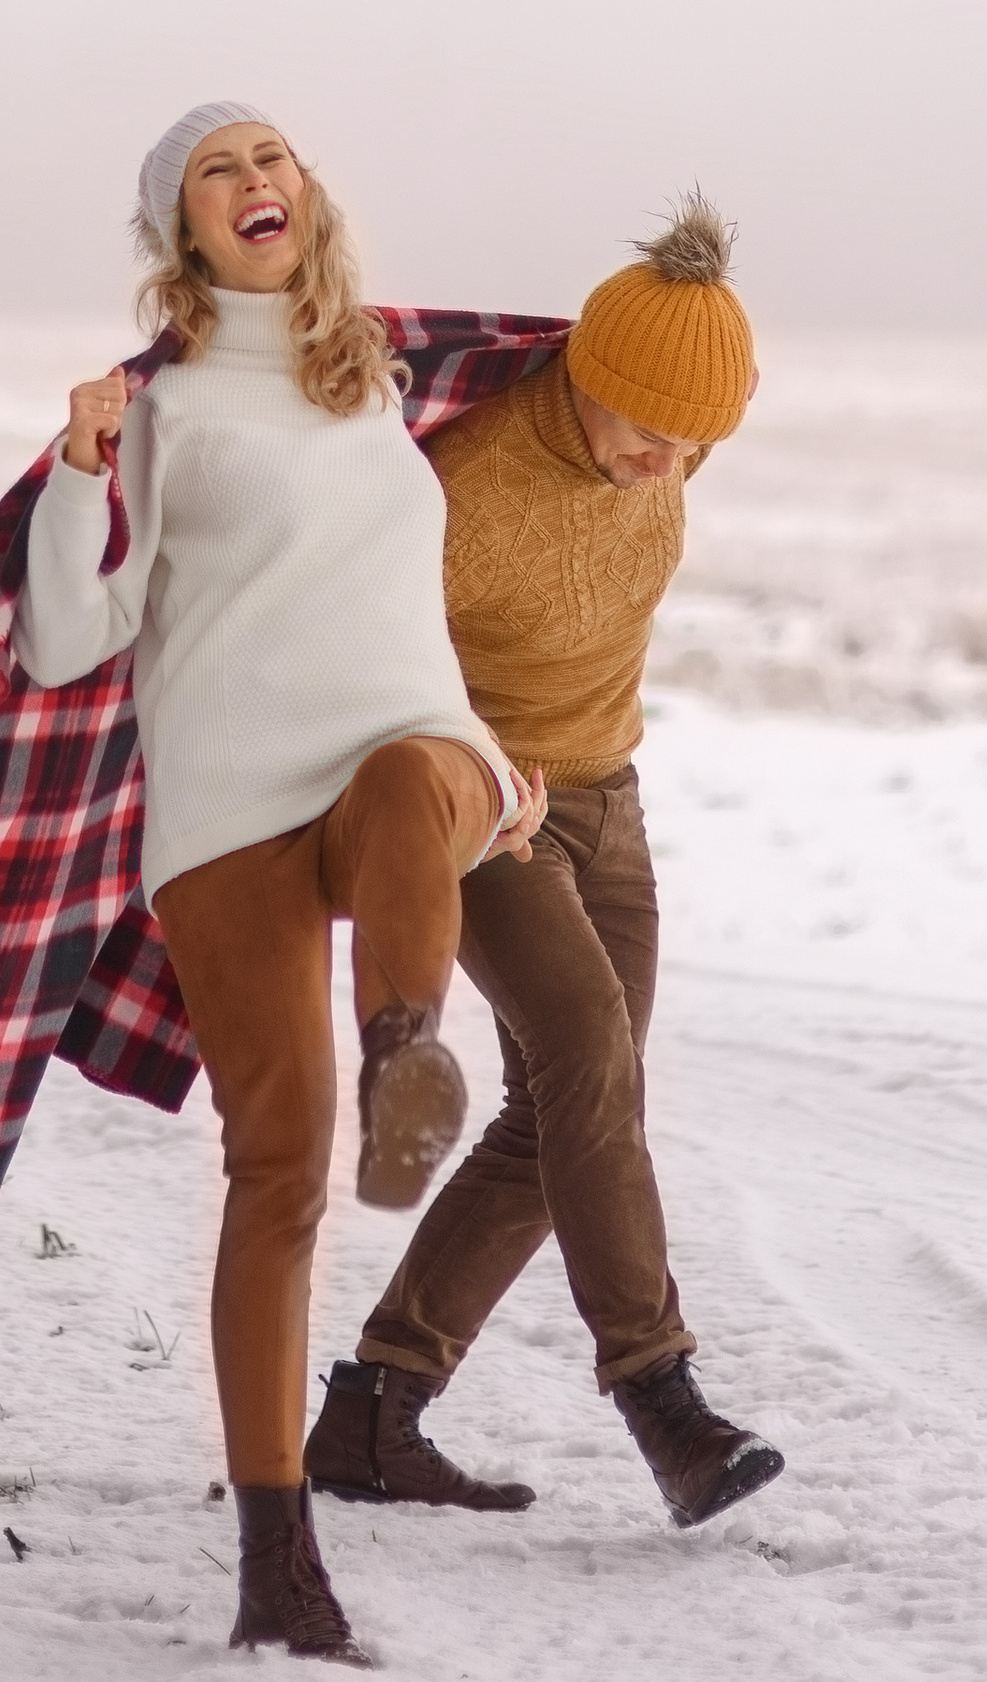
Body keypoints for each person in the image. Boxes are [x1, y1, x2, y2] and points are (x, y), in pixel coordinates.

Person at [12, 103, 547, 1661]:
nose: (257, 179)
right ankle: (278, 1565)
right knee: (278, 1171)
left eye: (273, 156)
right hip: (230, 809)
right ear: (181, 227)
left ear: (304, 192)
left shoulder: (377, 375)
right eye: (218, 169)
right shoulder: (165, 409)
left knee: (414, 773)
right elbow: (65, 638)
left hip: (401, 764)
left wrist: (498, 759)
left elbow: (406, 601)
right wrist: (77, 469)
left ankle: (406, 1050)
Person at [303, 196, 786, 1536]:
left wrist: (580, 782)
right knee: (585, 1055)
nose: (666, 463)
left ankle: (374, 1412)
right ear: (586, 374)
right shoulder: (468, 486)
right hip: (479, 807)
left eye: (695, 443)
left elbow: (663, 440)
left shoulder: (666, 451)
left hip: (608, 801)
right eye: (648, 431)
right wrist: (481, 780)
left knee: (567, 1104)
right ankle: (662, 1397)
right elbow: (368, 660)